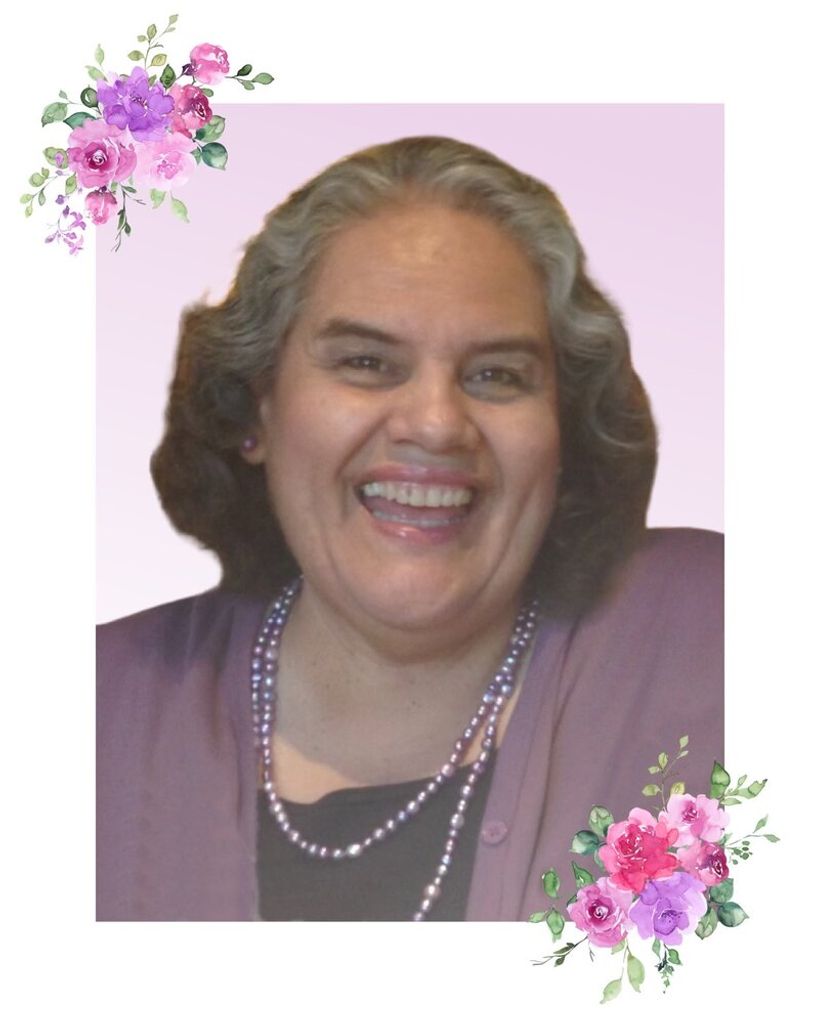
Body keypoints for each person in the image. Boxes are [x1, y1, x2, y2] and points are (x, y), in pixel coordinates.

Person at [96, 135, 723, 922]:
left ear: (562, 430)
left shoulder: (715, 636)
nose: (434, 424)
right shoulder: (85, 710)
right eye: (365, 362)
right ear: (255, 408)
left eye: (496, 374)